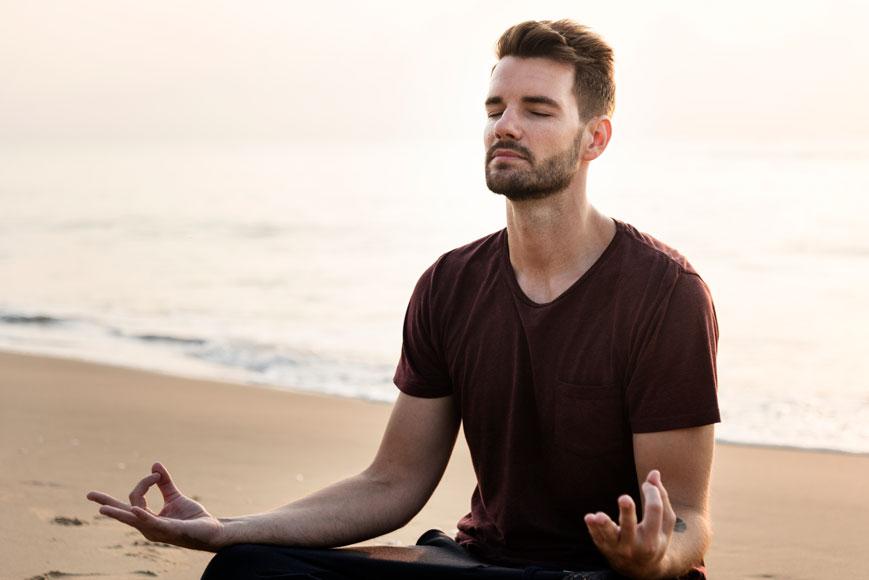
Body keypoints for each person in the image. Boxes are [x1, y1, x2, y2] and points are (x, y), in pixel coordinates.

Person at [87, 19, 719, 579]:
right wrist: (228, 530)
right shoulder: (450, 284)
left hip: (596, 577)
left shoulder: (663, 294)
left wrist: (653, 556)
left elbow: (687, 517)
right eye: (495, 107)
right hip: (479, 563)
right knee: (247, 570)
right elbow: (393, 481)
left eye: (538, 109)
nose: (506, 126)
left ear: (595, 138)